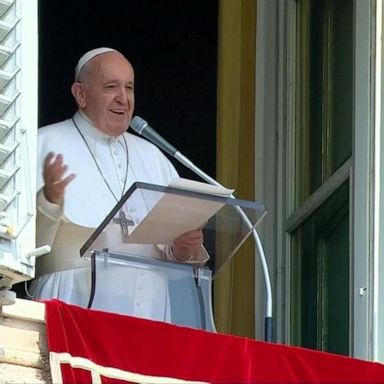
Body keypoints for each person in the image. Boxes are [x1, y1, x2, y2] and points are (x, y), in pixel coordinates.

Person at [30, 47, 209, 322]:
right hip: (70, 303)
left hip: (147, 310)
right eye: (111, 87)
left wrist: (183, 249)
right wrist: (49, 201)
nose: (123, 99)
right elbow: (23, 249)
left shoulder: (153, 157)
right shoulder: (43, 144)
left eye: (129, 88)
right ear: (81, 94)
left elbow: (175, 250)